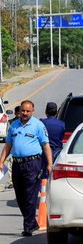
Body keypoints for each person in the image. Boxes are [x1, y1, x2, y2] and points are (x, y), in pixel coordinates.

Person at [0, 100, 53, 236]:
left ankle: (28, 227)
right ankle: (32, 222)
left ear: (32, 111)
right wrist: (1, 161)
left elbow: (46, 146)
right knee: (20, 196)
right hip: (17, 163)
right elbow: (7, 146)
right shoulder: (14, 126)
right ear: (20, 111)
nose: (24, 113)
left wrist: (49, 163)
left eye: (27, 111)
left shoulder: (38, 125)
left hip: (33, 163)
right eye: (23, 110)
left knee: (30, 194)